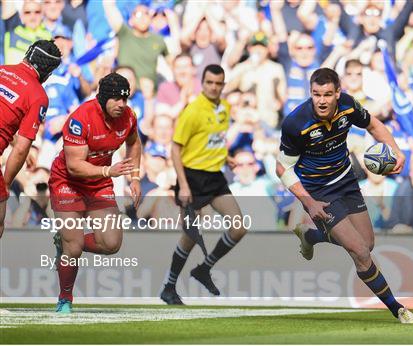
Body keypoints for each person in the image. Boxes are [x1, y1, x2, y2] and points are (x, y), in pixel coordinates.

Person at [276, 68, 413, 324]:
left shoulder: (348, 105)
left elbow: (374, 124)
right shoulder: (295, 123)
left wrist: (396, 150)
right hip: (318, 191)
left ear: (337, 93)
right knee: (360, 252)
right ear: (311, 93)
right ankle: (398, 309)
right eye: (316, 94)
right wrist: (308, 202)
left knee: (368, 244)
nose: (321, 100)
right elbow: (282, 168)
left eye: (327, 94)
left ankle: (310, 235)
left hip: (346, 180)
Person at [49, 72, 142, 313]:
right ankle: (65, 299)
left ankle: (65, 240)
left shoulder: (128, 117)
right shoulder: (81, 118)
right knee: (75, 247)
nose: (122, 105)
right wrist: (107, 171)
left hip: (99, 182)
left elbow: (134, 143)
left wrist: (134, 177)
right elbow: (74, 166)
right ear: (102, 98)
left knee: (111, 243)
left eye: (125, 99)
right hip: (68, 181)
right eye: (116, 99)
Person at [160, 64, 248, 305]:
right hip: (192, 177)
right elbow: (175, 149)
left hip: (215, 176)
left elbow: (213, 139)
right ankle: (169, 287)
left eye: (218, 83)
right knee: (190, 236)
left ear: (223, 84)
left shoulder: (225, 108)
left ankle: (203, 269)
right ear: (203, 82)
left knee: (239, 227)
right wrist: (184, 186)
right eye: (209, 82)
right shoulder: (193, 111)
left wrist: (224, 157)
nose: (213, 87)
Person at [0, 39, 62, 238]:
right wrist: (7, 184)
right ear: (48, 73)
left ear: (28, 54)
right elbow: (21, 149)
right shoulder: (38, 96)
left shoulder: (1, 70)